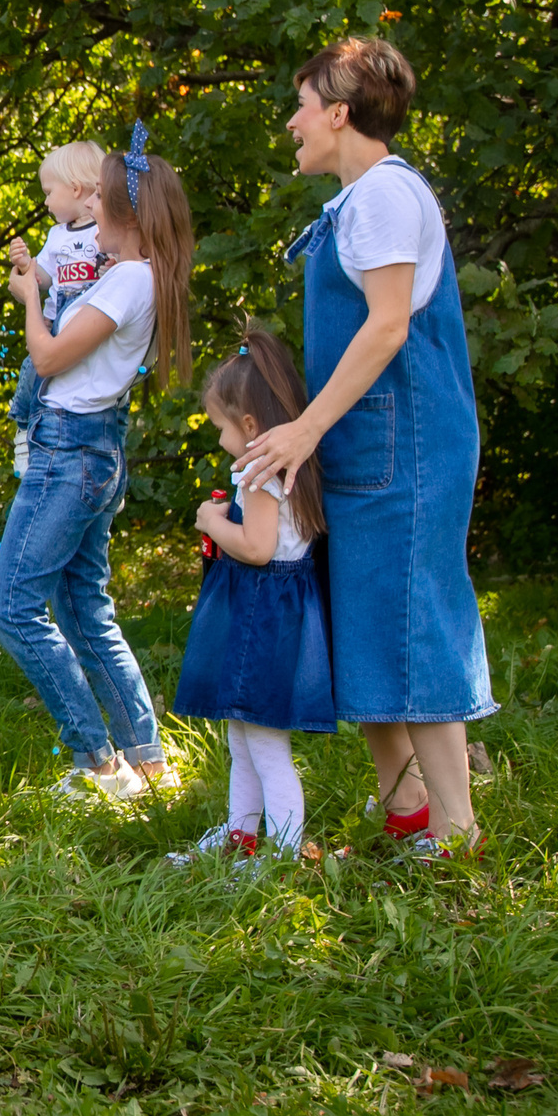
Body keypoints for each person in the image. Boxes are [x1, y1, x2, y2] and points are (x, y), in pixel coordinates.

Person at [239, 38, 491, 857]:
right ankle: (407, 812)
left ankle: (458, 837)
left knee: (411, 624)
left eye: (302, 104)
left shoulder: (385, 193)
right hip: (365, 447)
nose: (292, 122)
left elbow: (387, 325)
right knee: (368, 628)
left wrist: (304, 430)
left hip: (406, 444)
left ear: (340, 111)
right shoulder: (353, 201)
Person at [0, 124, 195, 802]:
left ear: (125, 215)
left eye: (101, 201)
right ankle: (147, 764)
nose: (89, 212)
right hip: (89, 447)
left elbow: (47, 358)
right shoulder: (135, 277)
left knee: (14, 608)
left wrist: (29, 302)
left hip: (69, 450)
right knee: (83, 610)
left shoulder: (126, 282)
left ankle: (98, 762)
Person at [171, 328, 333, 864]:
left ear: (248, 425)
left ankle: (283, 856)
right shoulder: (294, 464)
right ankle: (240, 834)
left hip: (262, 613)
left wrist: (211, 522)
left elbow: (259, 548)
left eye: (220, 427)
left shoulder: (260, 475)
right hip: (274, 609)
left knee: (264, 746)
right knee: (243, 737)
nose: (219, 440)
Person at [4, 140, 107, 476]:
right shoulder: (57, 235)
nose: (45, 201)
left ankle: (107, 467)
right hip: (55, 322)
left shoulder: (107, 231)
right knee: (34, 369)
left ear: (76, 189)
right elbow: (44, 279)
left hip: (93, 321)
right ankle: (24, 427)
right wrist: (24, 264)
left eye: (49, 192)